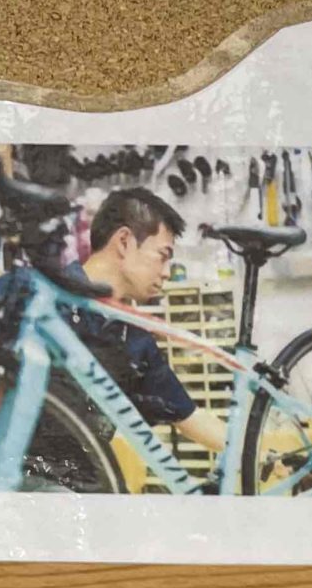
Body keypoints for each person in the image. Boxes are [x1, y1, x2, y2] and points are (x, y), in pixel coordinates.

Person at [69, 191, 227, 454]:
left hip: (83, 474)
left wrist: (263, 457)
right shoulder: (44, 299)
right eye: (163, 256)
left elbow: (189, 417)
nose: (167, 273)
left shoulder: (132, 337)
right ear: (124, 242)